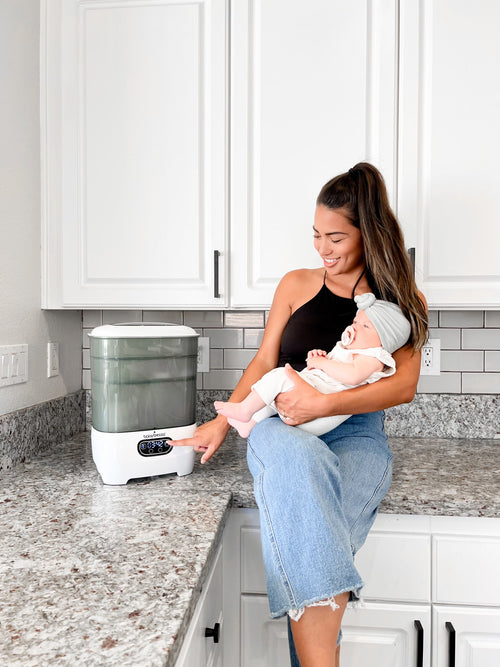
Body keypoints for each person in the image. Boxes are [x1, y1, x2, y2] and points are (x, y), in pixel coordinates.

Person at [172, 162, 428, 667]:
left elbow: (404, 387)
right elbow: (266, 362)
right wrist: (224, 420)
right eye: (316, 235)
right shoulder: (295, 284)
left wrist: (327, 402)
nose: (323, 249)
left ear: (369, 234)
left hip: (357, 435)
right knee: (305, 495)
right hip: (281, 425)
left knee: (307, 538)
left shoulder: (399, 302)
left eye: (336, 237)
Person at [214, 292, 411, 438]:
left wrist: (322, 364)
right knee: (274, 391)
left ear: (385, 339)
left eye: (365, 326)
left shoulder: (374, 356)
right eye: (355, 321)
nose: (354, 328)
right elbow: (335, 368)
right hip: (311, 402)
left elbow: (352, 376)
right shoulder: (352, 349)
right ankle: (249, 424)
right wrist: (319, 358)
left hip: (319, 415)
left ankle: (245, 410)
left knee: (279, 376)